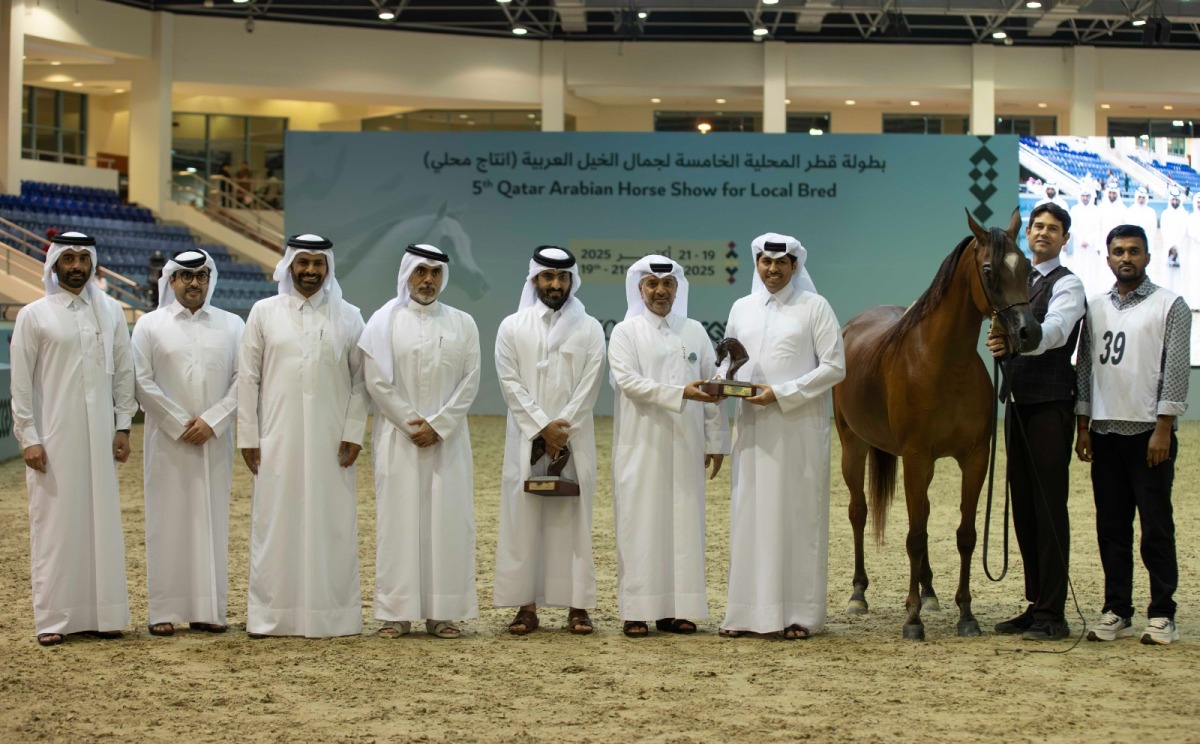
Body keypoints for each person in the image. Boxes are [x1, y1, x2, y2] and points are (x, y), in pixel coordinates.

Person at [10, 231, 136, 646]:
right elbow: (22, 385)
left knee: (101, 522)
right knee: (56, 525)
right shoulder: (34, 315)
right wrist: (28, 436)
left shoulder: (111, 312)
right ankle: (54, 618)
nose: (77, 266)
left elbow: (122, 373)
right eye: (69, 258)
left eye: (84, 258)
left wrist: (122, 426)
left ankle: (103, 614)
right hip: (53, 437)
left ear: (93, 263)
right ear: (54, 264)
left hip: (101, 436)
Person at [237, 234, 367, 638]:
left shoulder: (349, 315)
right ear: (289, 266)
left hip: (333, 442)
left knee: (331, 523)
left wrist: (353, 431)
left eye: (318, 264)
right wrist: (249, 435)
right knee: (276, 522)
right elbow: (248, 377)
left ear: (328, 268)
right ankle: (273, 615)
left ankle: (332, 615)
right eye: (303, 263)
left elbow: (363, 381)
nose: (310, 271)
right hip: (277, 438)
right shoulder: (263, 312)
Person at [718, 233, 845, 640]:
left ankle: (798, 616)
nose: (772, 270)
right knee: (749, 515)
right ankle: (744, 615)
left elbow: (834, 366)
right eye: (765, 262)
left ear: (794, 266)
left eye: (781, 263)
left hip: (797, 430)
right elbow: (729, 361)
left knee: (795, 517)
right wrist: (722, 381)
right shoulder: (742, 308)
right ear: (757, 264)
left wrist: (782, 393)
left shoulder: (815, 307)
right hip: (752, 430)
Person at [1075, 224, 1191, 646]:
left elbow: (1176, 370)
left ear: (1147, 257)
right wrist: (1083, 425)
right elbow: (1085, 367)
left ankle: (1163, 613)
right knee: (1112, 528)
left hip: (1148, 436)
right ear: (1107, 258)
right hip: (1104, 433)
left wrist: (1164, 427)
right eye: (1119, 251)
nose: (1126, 257)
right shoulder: (1094, 307)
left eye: (1134, 251)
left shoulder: (1170, 304)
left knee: (1156, 527)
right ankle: (1116, 610)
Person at [360, 244, 480, 639]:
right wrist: (413, 425)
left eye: (435, 273)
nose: (428, 280)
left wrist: (439, 425)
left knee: (447, 523)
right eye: (420, 272)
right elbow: (376, 382)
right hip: (399, 440)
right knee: (398, 523)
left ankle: (442, 613)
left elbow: (470, 382)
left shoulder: (464, 323)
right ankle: (396, 613)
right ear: (407, 274)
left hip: (448, 442)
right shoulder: (382, 321)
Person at [608, 255, 729, 638]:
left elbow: (711, 386)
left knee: (683, 524)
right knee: (640, 523)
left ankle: (677, 609)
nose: (661, 292)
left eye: (668, 285)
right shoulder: (625, 333)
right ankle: (637, 610)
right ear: (639, 289)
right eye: (652, 285)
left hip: (687, 442)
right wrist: (681, 392)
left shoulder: (694, 330)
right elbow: (629, 382)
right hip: (641, 443)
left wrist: (716, 440)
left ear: (678, 288)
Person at [493, 246, 606, 636]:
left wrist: (563, 429)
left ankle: (578, 607)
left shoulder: (589, 327)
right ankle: (526, 607)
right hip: (527, 438)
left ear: (572, 281)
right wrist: (543, 427)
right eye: (547, 277)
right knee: (524, 520)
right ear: (534, 280)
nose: (555, 284)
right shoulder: (512, 326)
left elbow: (590, 385)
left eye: (562, 278)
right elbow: (510, 383)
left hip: (574, 438)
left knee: (573, 521)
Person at [987, 204, 1086, 642]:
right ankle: (1035, 603)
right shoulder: (1018, 279)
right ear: (1027, 233)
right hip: (1020, 402)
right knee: (1024, 505)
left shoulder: (1068, 284)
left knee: (1048, 507)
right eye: (1037, 226)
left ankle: (1054, 613)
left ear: (1065, 238)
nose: (1043, 233)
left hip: (1051, 404)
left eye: (1053, 228)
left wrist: (1015, 343)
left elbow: (1059, 331)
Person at [132, 249, 244, 637]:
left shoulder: (232, 325)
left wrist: (212, 421)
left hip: (214, 442)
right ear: (171, 280)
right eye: (185, 275)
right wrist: (180, 424)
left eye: (201, 275)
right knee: (166, 522)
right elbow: (141, 382)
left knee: (211, 521)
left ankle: (208, 609)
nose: (194, 282)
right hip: (167, 443)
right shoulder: (148, 325)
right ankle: (163, 610)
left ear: (210, 280)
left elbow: (242, 381)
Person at [1066, 191, 1102, 292]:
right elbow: (1072, 226)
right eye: (1083, 196)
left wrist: (1089, 241)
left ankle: (1091, 291)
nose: (1085, 198)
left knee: (1091, 269)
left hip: (1091, 245)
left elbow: (1098, 228)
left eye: (1087, 196)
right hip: (1079, 244)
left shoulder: (1096, 210)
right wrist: (1081, 239)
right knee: (1079, 267)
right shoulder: (1074, 209)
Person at [1158, 187, 1189, 298]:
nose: (1175, 202)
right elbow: (1163, 231)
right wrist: (1171, 245)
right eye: (1173, 200)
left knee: (1179, 274)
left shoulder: (1185, 214)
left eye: (1177, 200)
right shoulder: (1165, 214)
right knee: (1167, 273)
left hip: (1181, 248)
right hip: (1168, 247)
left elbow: (1183, 231)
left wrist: (1176, 245)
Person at [1097, 181, 1128, 247]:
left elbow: (1125, 228)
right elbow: (1098, 227)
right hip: (1103, 242)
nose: (1112, 195)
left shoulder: (1123, 208)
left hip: (1119, 242)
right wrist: (1098, 245)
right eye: (1110, 193)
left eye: (1114, 193)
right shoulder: (1101, 207)